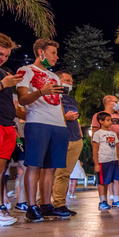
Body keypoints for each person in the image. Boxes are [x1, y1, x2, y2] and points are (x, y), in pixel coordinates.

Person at [16, 39, 71, 221]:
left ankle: (46, 205)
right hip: (37, 122)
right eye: (53, 52)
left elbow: (59, 103)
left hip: (58, 126)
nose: (56, 56)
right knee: (34, 166)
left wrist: (64, 124)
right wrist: (41, 91)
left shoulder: (55, 76)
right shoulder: (26, 71)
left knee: (51, 167)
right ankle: (32, 207)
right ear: (41, 52)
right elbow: (23, 99)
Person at [49, 70, 82, 216]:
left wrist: (80, 136)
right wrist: (65, 117)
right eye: (67, 80)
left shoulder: (71, 99)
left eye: (71, 81)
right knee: (51, 173)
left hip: (75, 139)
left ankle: (60, 204)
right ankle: (42, 203)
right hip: (59, 138)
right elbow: (48, 115)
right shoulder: (51, 96)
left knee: (65, 174)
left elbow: (76, 119)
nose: (70, 83)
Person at [0, 33, 23, 226]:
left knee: (1, 170)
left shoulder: (5, 71)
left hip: (8, 126)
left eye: (6, 55)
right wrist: (2, 84)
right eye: (0, 53)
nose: (2, 58)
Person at [92, 96, 119, 207]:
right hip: (104, 153)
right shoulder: (98, 116)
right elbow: (95, 136)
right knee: (104, 178)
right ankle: (103, 201)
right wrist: (95, 159)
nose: (118, 104)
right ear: (109, 102)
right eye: (116, 102)